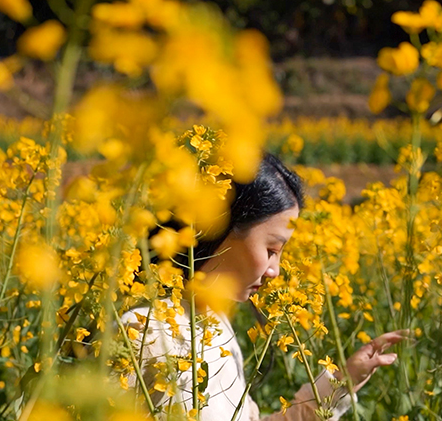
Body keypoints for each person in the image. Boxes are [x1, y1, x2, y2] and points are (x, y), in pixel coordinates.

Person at [119, 152, 406, 420]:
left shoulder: (210, 320)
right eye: (271, 249)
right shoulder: (144, 332)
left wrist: (339, 383)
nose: (274, 271)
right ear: (216, 226)